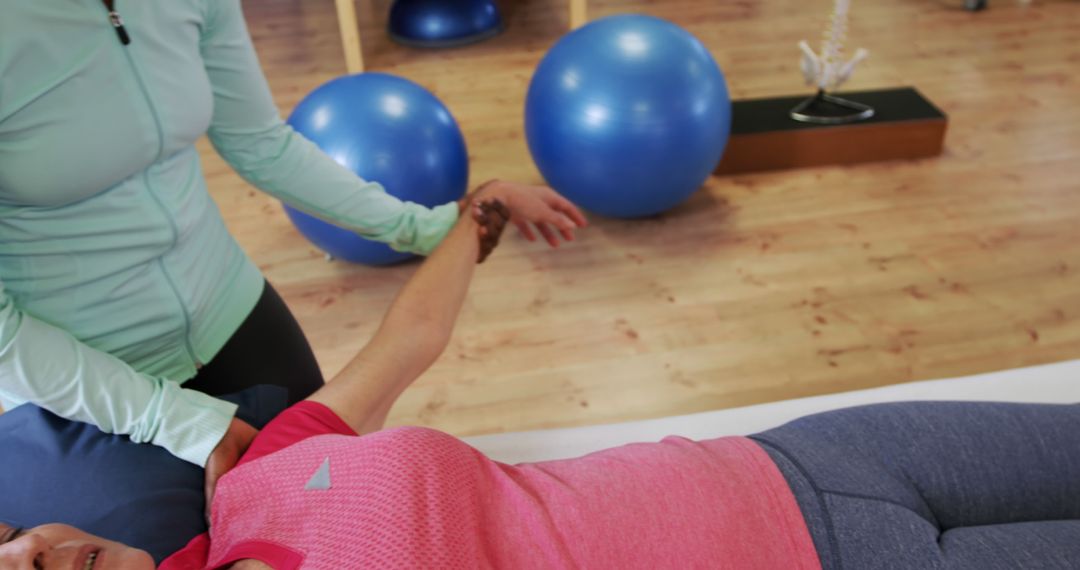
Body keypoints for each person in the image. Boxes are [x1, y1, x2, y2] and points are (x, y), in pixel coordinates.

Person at [5, 195, 1078, 570]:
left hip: (801, 458)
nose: (38, 551)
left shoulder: (246, 484)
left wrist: (480, 212)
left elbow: (409, 342)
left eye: (15, 545)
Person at [0, 0, 587, 503]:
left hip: (228, 305)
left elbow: (262, 144)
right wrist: (173, 421)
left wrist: (434, 230)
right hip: (81, 382)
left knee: (330, 509)